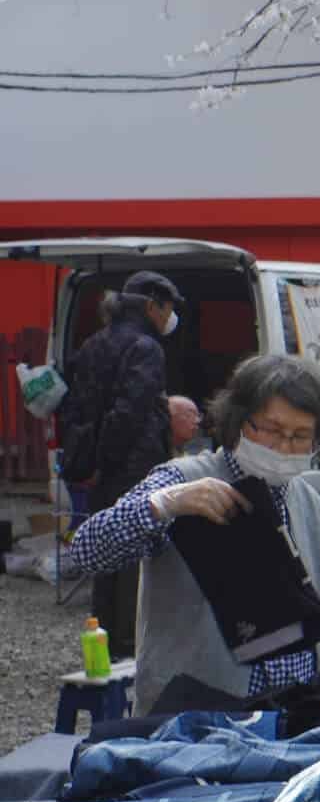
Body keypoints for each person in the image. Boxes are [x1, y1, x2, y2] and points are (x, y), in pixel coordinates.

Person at [62, 354, 320, 713]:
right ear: (239, 421)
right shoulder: (182, 481)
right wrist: (162, 505)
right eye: (272, 430)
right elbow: (87, 550)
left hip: (296, 713)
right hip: (198, 718)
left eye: (300, 436)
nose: (283, 446)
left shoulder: (308, 503)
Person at [57, 270, 182, 660]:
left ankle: (107, 640)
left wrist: (91, 461)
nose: (171, 317)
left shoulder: (94, 343)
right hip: (134, 467)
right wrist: (110, 458)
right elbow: (130, 412)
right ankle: (131, 648)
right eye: (169, 308)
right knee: (135, 557)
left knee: (105, 552)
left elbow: (78, 409)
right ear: (152, 306)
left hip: (101, 470)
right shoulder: (146, 348)